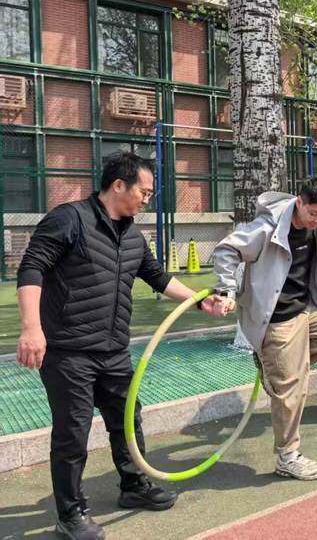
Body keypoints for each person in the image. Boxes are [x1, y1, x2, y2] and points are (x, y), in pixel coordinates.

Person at [15, 152, 227, 540]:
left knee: (127, 418)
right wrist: (31, 329)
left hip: (113, 350)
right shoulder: (70, 219)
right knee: (73, 431)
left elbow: (157, 276)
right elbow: (32, 267)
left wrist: (200, 301)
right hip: (69, 351)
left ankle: (133, 486)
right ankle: (69, 513)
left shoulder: (132, 234)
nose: (147, 199)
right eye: (144, 192)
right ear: (118, 185)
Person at [211, 178, 317, 481]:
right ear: (299, 202)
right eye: (313, 214)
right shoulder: (267, 227)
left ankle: (274, 367)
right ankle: (287, 457)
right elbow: (226, 249)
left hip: (304, 311)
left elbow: (302, 259)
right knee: (292, 391)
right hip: (275, 319)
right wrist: (226, 289)